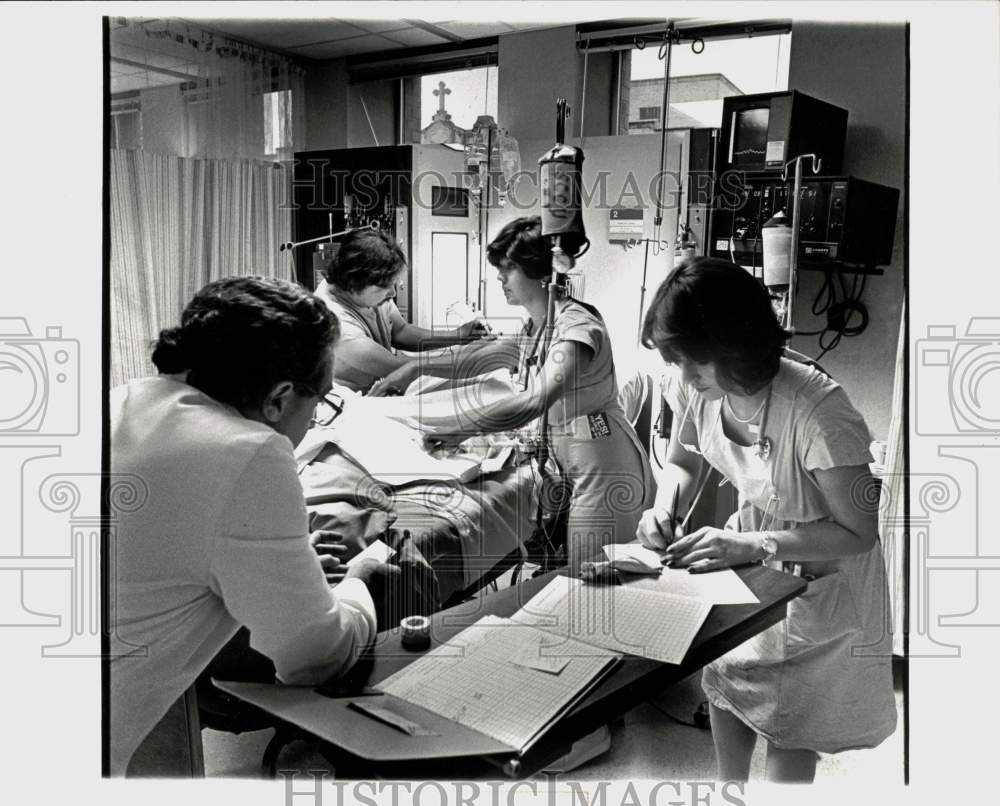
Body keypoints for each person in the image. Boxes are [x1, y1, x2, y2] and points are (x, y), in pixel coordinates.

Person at [109, 276, 390, 776]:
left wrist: (281, 561)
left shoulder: (124, 401)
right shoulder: (250, 454)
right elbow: (317, 657)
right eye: (320, 403)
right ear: (279, 398)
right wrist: (357, 581)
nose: (314, 419)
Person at [637, 257, 897, 783]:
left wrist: (754, 545)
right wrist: (664, 506)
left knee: (791, 720)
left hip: (823, 570)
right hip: (751, 555)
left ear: (736, 344)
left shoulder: (820, 412)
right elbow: (684, 462)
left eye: (696, 361)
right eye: (677, 362)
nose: (685, 376)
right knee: (728, 681)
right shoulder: (695, 387)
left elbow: (859, 532)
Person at [371, 216, 656, 574]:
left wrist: (464, 427)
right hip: (573, 464)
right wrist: (415, 367)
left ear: (541, 272)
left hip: (606, 470)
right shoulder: (536, 327)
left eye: (508, 269)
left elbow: (536, 400)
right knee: (580, 576)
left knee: (593, 581)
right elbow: (480, 356)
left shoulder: (577, 328)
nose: (500, 279)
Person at [315, 228, 489, 391]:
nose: (393, 293)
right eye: (385, 287)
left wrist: (459, 335)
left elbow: (400, 331)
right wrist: (480, 358)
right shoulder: (336, 325)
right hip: (353, 401)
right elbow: (402, 368)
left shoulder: (365, 289)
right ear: (353, 286)